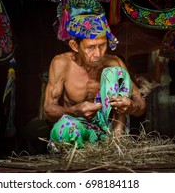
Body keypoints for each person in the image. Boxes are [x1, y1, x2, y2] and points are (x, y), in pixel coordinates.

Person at [44, 13, 148, 149]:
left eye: (103, 45)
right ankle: (82, 154)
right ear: (75, 45)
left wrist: (131, 107)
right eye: (91, 47)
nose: (98, 54)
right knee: (64, 130)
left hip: (108, 131)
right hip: (77, 128)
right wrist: (75, 110)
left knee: (114, 71)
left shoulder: (114, 62)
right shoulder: (62, 63)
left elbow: (141, 105)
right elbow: (48, 110)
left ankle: (115, 144)